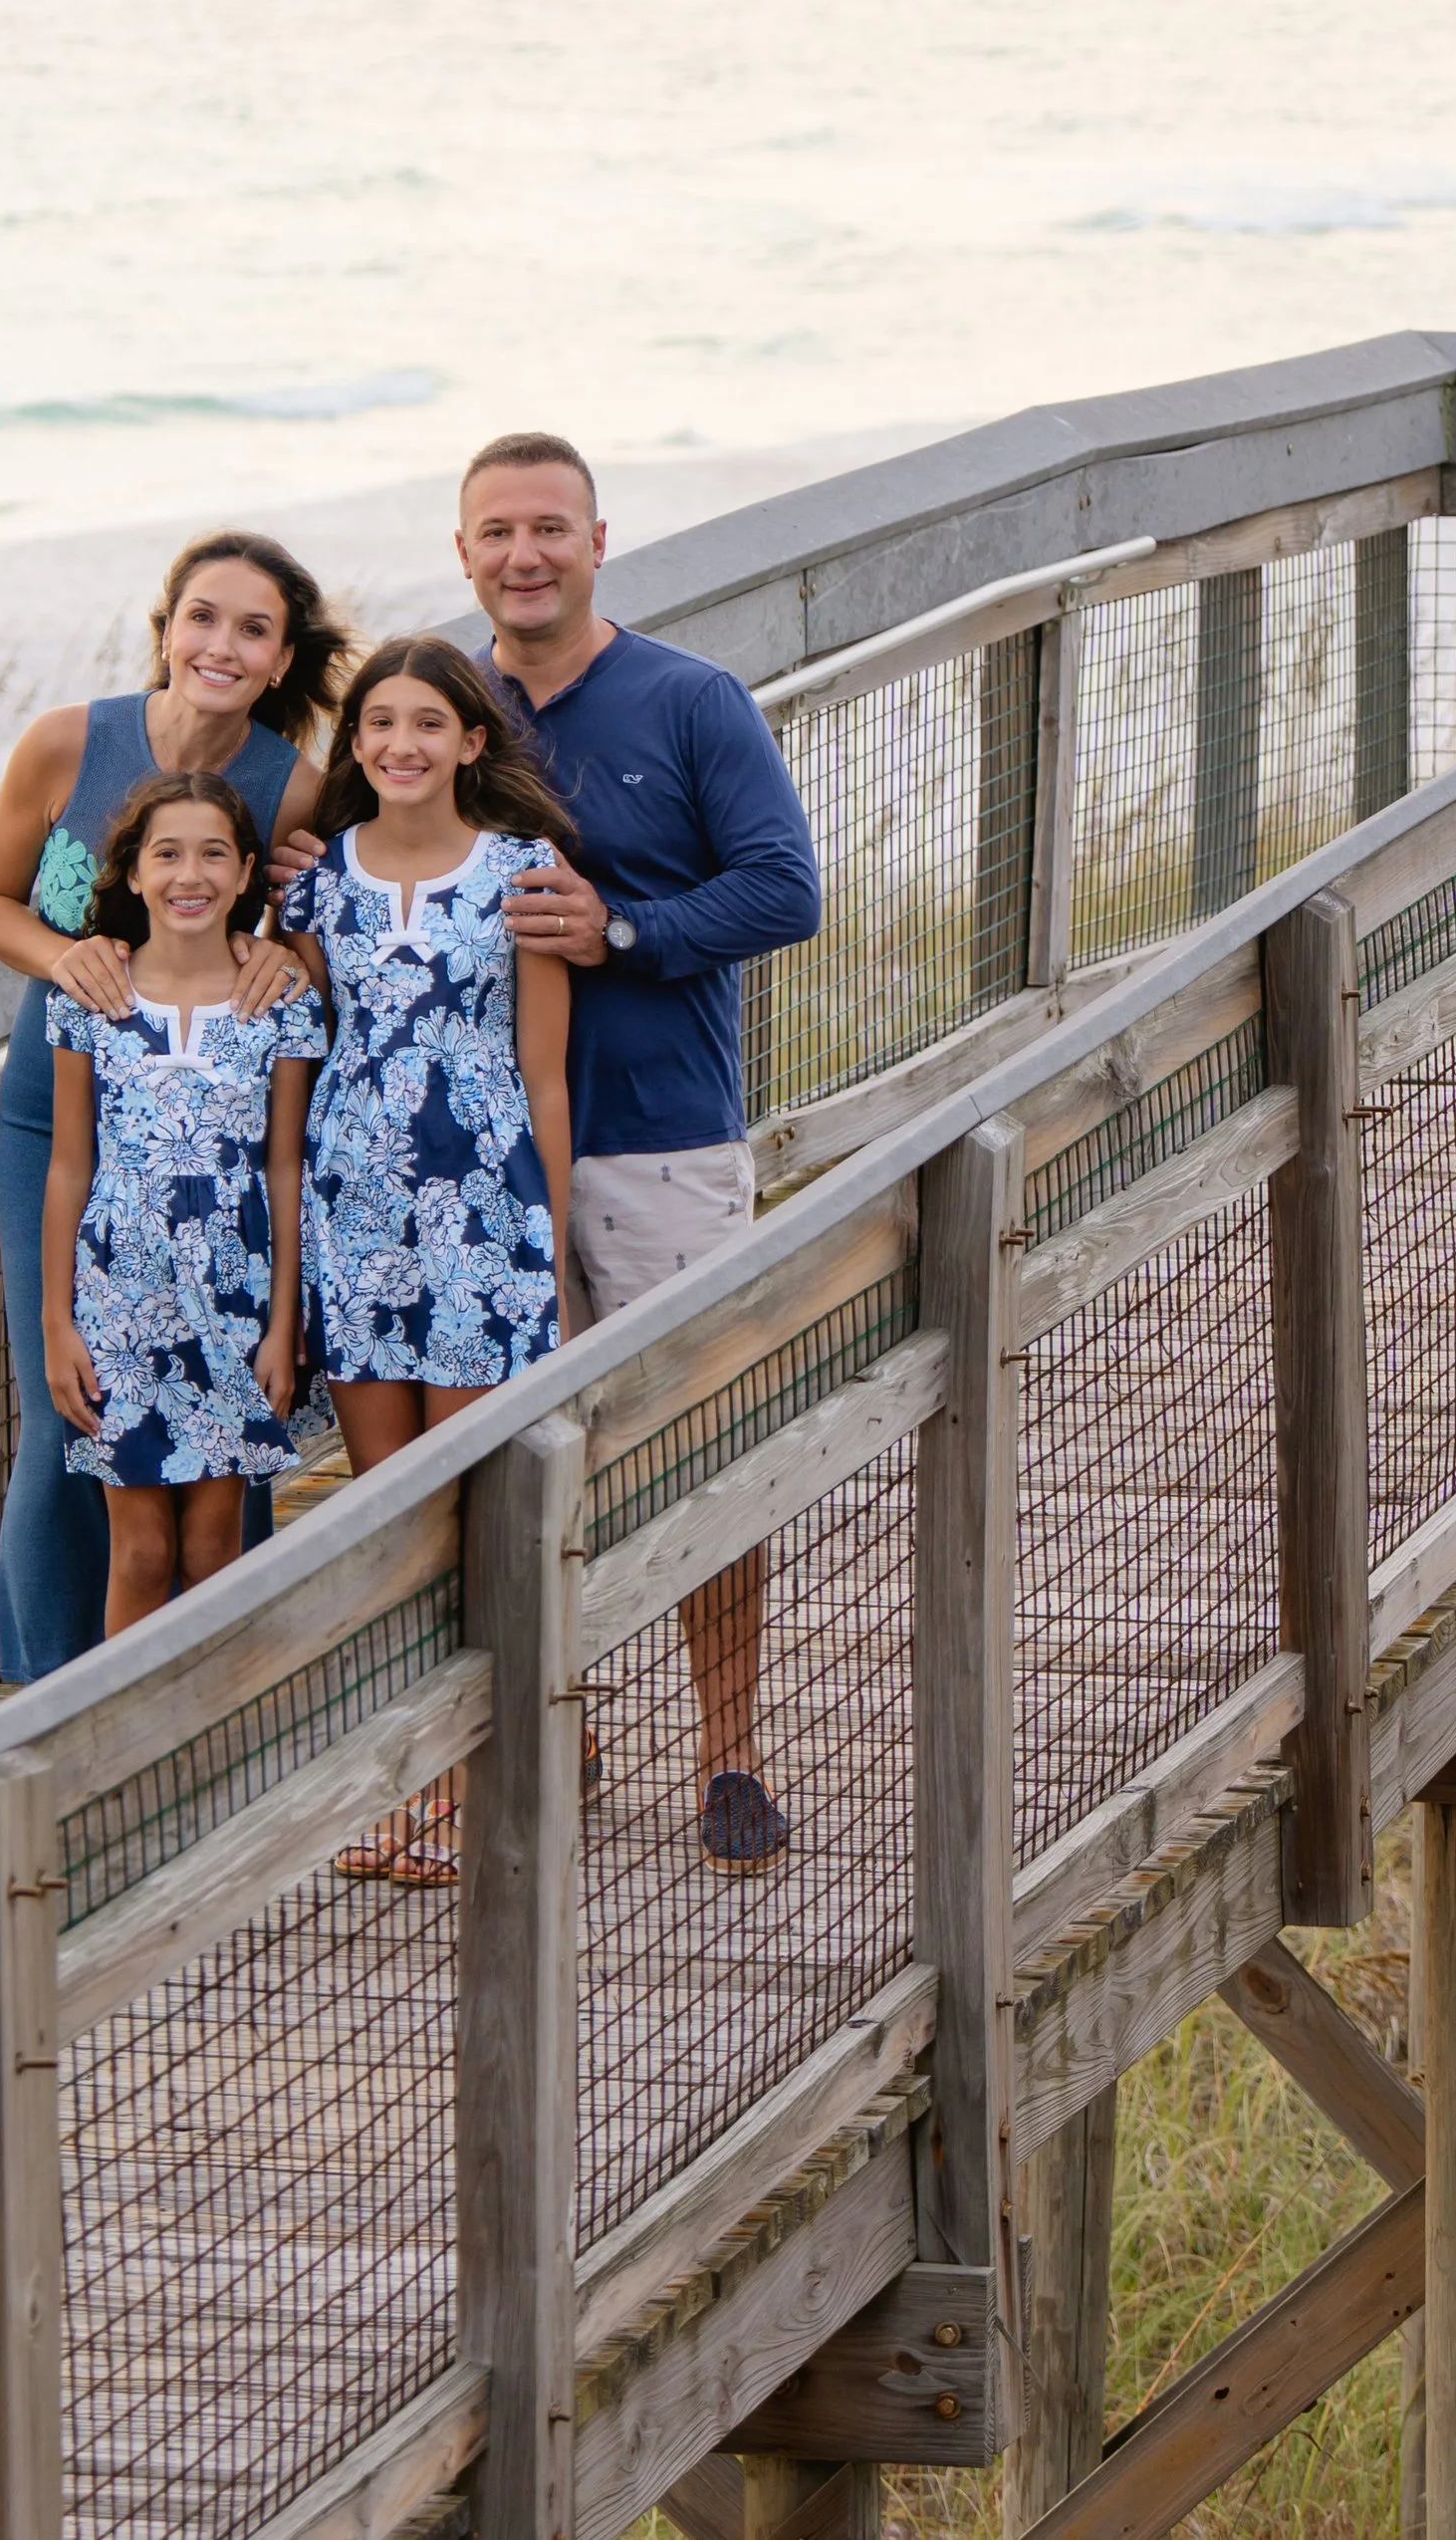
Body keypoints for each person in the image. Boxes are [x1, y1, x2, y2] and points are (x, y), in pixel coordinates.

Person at [461, 429, 822, 1872]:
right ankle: (563, 1725)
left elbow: (786, 888)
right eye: (497, 532)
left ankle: (729, 1751)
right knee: (524, 1468)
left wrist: (623, 933)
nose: (525, 554)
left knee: (697, 1443)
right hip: (481, 1159)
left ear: (601, 541)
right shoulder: (440, 713)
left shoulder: (688, 700)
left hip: (661, 1142)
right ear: (464, 554)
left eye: (551, 527)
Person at [0, 531, 348, 1684]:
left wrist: (299, 965)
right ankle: (46, 1686)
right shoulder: (65, 744)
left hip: (219, 1151)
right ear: (165, 625)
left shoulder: (294, 786)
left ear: (282, 658)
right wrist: (66, 955)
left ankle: (223, 1677)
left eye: (252, 628)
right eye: (203, 616)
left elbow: (308, 951)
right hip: (62, 1115)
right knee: (64, 1408)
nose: (221, 645)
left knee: (227, 1434)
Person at [278, 635, 575, 1884]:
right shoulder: (314, 891)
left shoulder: (524, 875)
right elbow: (290, 1074)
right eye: (377, 723)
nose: (401, 742)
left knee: (469, 1507)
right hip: (356, 1222)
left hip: (481, 1228)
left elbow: (544, 1076)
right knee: (388, 1513)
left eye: (426, 722)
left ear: (472, 740)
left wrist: (544, 1252)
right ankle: (399, 1788)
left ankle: (481, 1778)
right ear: (355, 746)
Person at [42, 772, 330, 1637]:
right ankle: (131, 1761)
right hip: (119, 1305)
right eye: (165, 854)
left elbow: (285, 1169)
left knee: (212, 1548)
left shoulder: (279, 1004)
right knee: (140, 1555)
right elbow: (67, 1167)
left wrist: (284, 1326)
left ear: (246, 874)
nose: (188, 875)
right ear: (133, 873)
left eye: (213, 854)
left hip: (233, 1306)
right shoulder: (91, 1001)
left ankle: (219, 1759)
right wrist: (58, 1325)